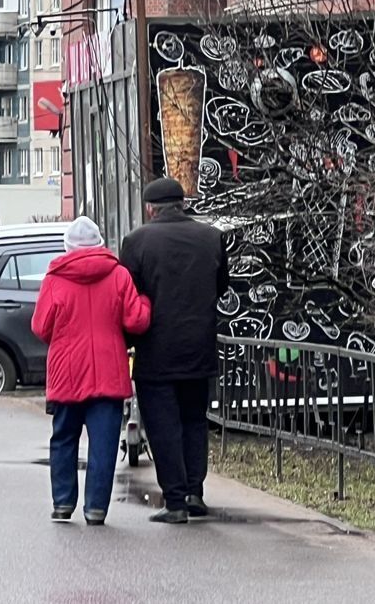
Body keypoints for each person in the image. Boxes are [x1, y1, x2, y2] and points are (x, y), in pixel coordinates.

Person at [120, 178, 230, 524]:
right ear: (182, 204)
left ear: (151, 209)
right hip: (200, 349)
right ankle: (195, 492)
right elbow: (221, 286)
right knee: (194, 421)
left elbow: (128, 295)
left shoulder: (136, 242)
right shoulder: (211, 237)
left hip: (156, 351)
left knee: (164, 425)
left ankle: (176, 499)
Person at [31, 216, 150, 526]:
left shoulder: (55, 279)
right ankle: (95, 508)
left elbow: (40, 326)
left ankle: (63, 503)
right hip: (108, 371)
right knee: (104, 442)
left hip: (66, 372)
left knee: (63, 439)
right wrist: (146, 303)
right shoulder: (119, 276)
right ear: (100, 244)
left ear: (68, 247)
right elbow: (136, 321)